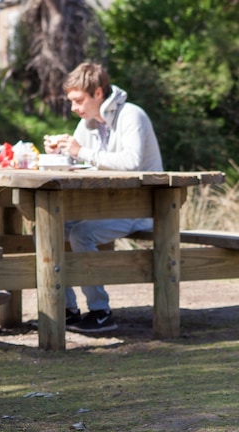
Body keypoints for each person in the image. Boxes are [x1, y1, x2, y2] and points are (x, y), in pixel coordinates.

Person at [44, 62, 163, 333]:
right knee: (53, 228)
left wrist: (80, 151)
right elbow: (74, 159)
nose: (74, 107)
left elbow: (132, 162)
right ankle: (67, 309)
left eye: (78, 100)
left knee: (81, 235)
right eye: (71, 101)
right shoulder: (87, 125)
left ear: (98, 93)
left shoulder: (132, 115)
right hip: (104, 207)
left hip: (141, 206)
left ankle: (100, 312)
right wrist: (59, 150)